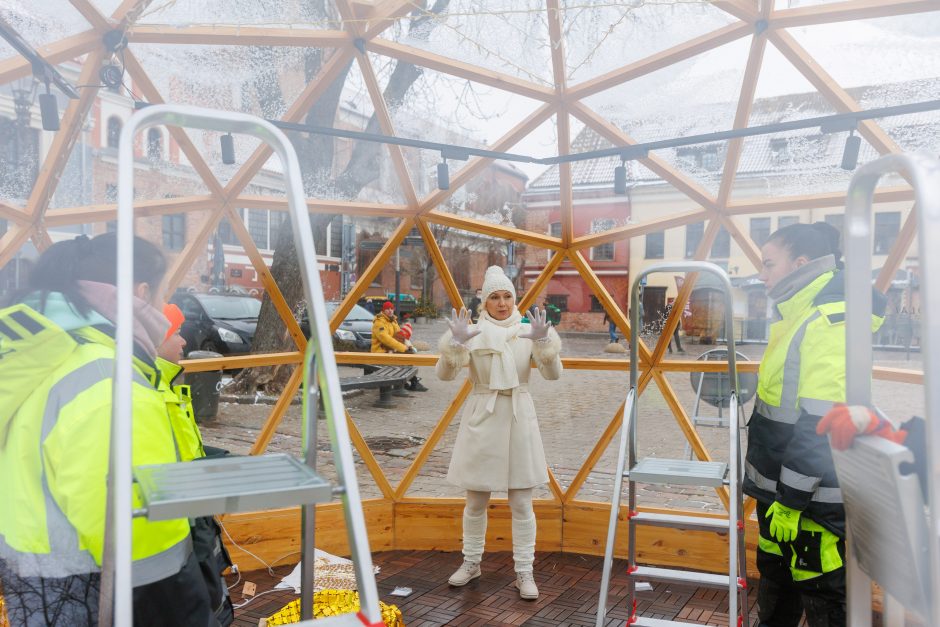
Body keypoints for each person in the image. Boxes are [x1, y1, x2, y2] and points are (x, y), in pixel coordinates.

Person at [0, 233, 216, 626]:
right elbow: (140, 539)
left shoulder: (50, 353)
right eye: (163, 294)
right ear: (142, 291)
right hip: (98, 594)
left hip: (37, 584)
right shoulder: (107, 377)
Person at [743, 222, 885, 627]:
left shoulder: (827, 321)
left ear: (800, 264)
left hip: (808, 503)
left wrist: (791, 501)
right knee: (776, 588)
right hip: (781, 495)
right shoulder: (801, 314)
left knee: (822, 600)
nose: (762, 273)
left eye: (769, 264)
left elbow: (821, 423)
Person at [436, 266, 563, 601]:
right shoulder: (472, 332)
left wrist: (544, 342)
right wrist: (455, 344)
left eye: (507, 295)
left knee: (522, 501)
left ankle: (525, 571)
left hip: (520, 415)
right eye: (495, 296)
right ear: (484, 301)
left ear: (514, 297)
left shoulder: (528, 330)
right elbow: (445, 375)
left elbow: (553, 374)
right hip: (483, 415)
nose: (502, 303)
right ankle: (471, 562)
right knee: (476, 499)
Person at [157, 304, 235, 626]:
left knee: (210, 591)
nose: (183, 341)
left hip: (194, 512)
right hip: (179, 523)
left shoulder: (169, 385)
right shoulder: (151, 392)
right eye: (176, 332)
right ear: (155, 339)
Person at [371, 301, 428, 392]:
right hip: (380, 351)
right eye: (387, 309)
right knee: (405, 356)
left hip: (389, 350)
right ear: (383, 310)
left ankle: (408, 382)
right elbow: (386, 339)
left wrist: (409, 346)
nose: (390, 311)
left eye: (391, 309)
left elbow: (400, 336)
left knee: (408, 354)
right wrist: (403, 348)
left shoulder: (393, 320)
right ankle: (410, 383)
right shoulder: (379, 322)